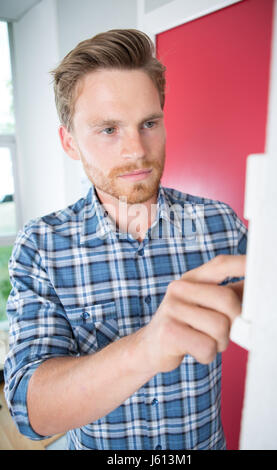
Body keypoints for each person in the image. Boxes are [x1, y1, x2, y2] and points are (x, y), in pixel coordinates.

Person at [4, 29, 247, 450]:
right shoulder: (41, 245)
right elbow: (30, 411)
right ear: (70, 143)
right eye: (108, 129)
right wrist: (147, 348)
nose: (136, 150)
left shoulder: (220, 224)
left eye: (149, 123)